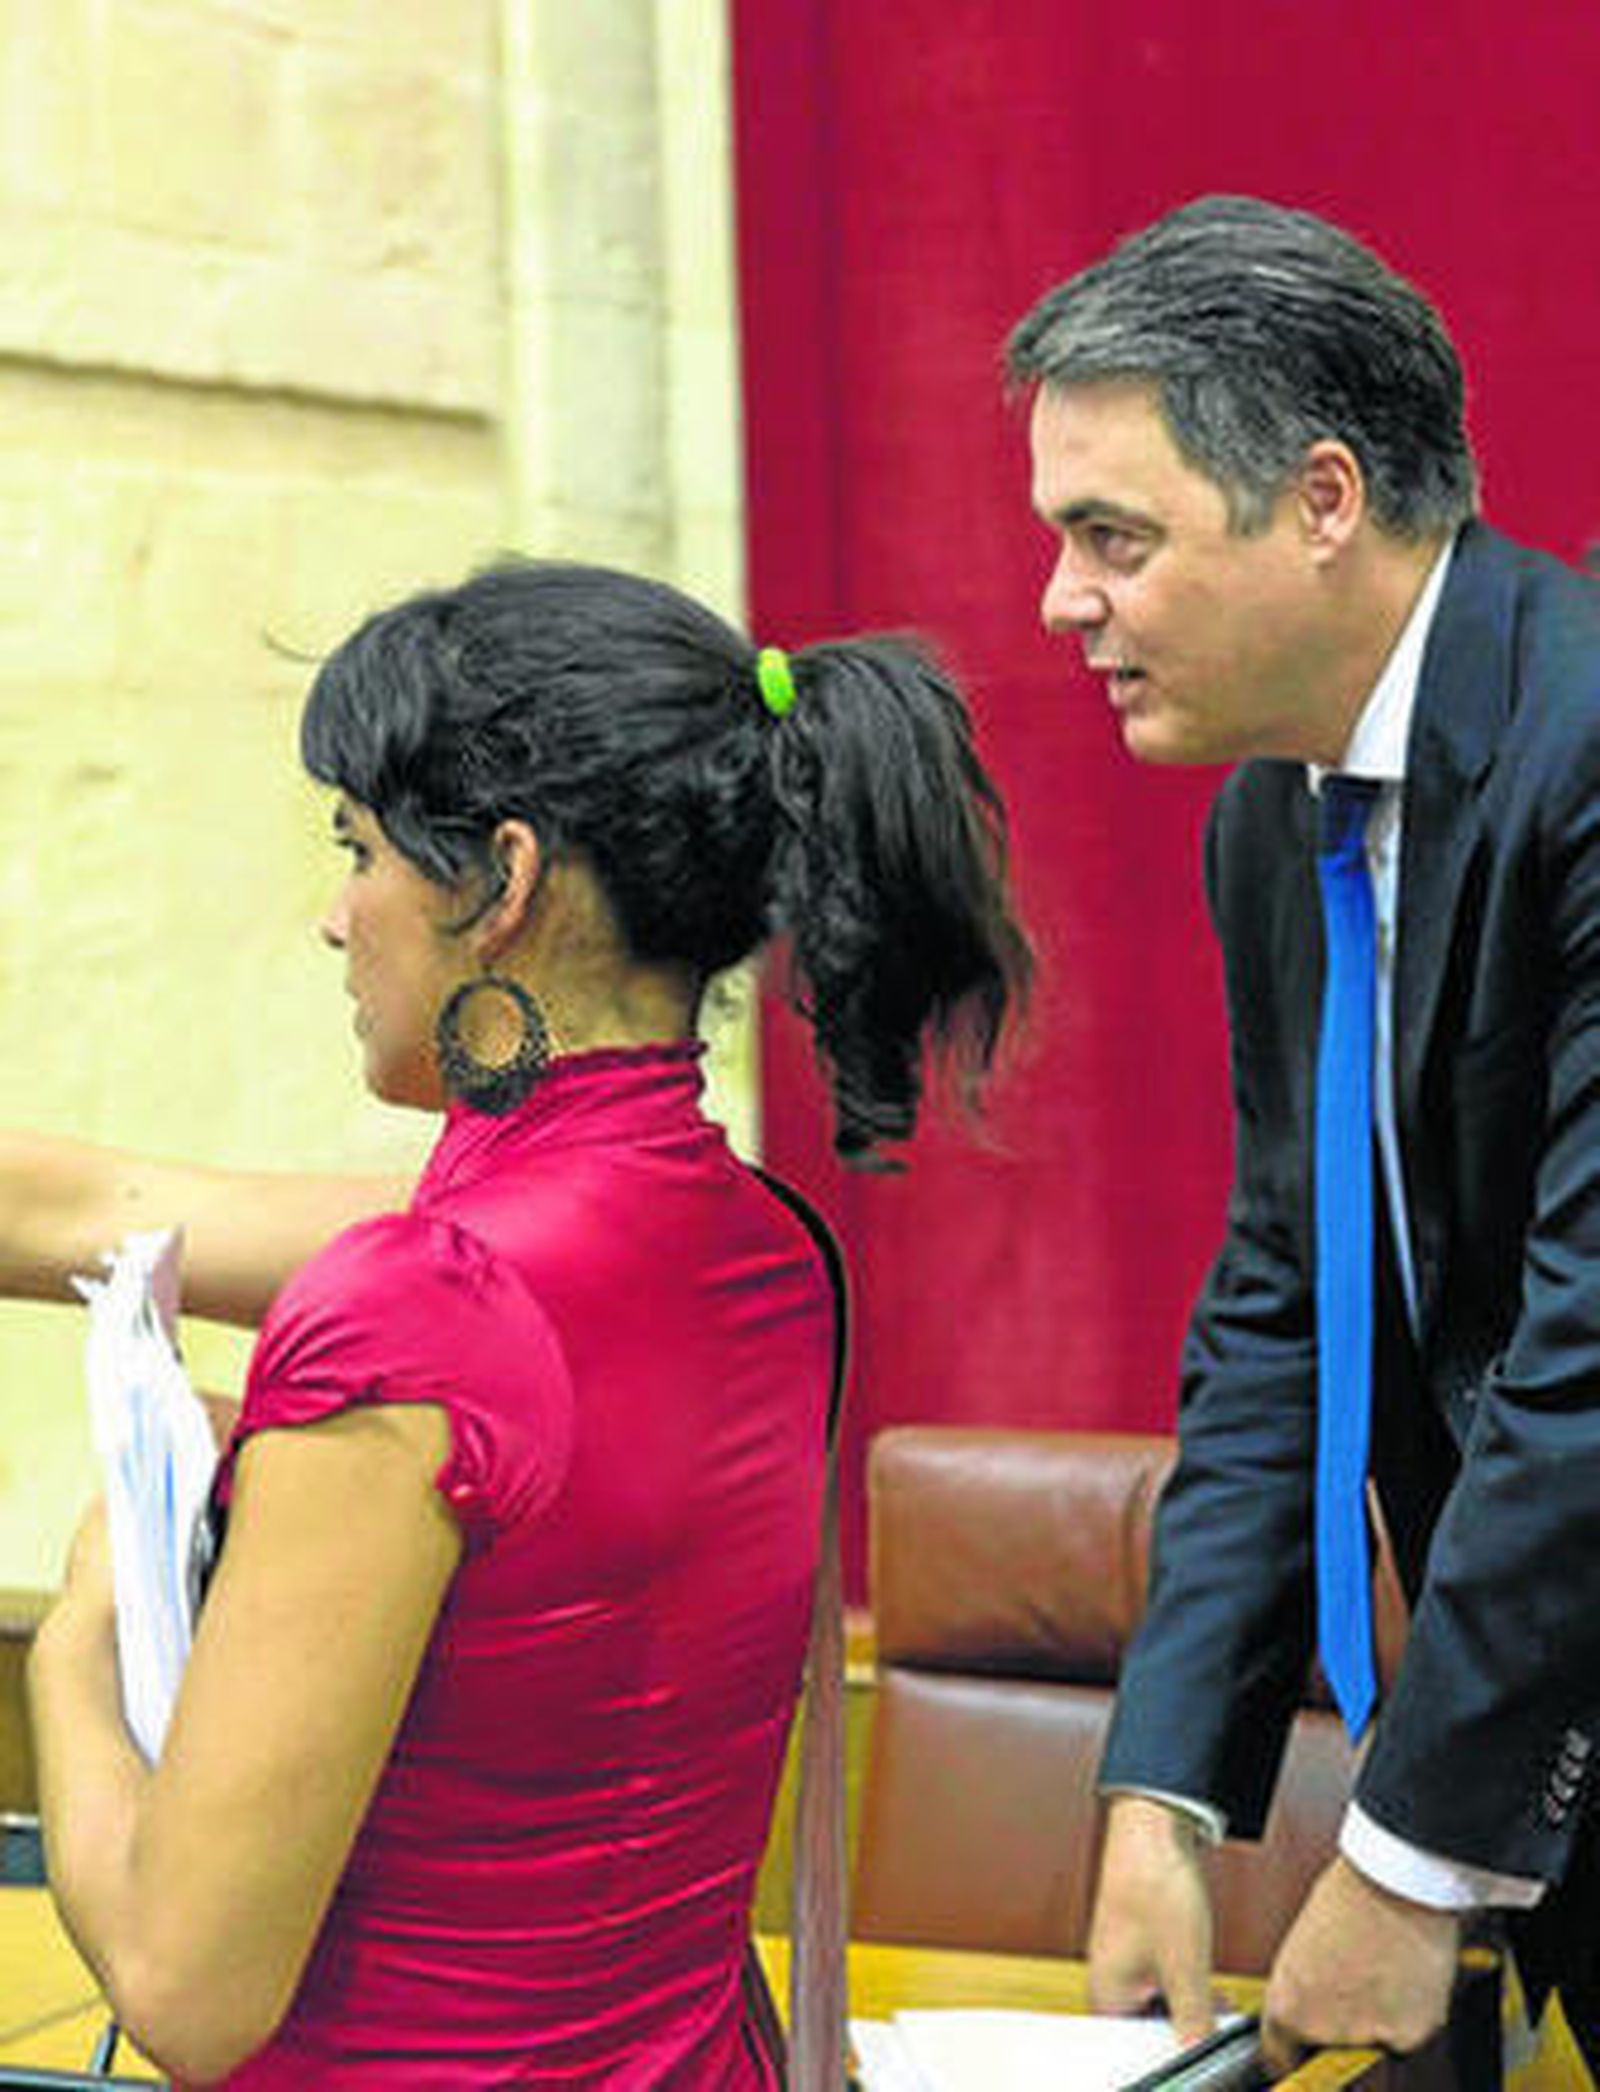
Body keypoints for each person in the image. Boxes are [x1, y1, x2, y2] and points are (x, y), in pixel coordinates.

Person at [25, 559, 1030, 2087]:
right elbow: (93, 1209)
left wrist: (89, 1627)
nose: (332, 918)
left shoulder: (416, 1305)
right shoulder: (770, 1249)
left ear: (499, 882)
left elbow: (186, 1982)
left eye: (355, 850)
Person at [1006, 195, 1600, 2074]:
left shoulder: (1587, 744)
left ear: (1325, 498)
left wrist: (1413, 1858)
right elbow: (1293, 1284)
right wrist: (1168, 1783)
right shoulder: (1279, 820)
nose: (1060, 601)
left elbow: (1590, 1356)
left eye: (1117, 539)